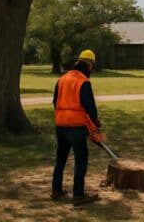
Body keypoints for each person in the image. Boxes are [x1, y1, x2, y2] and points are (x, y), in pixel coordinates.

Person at [51, 49, 102, 206]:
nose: (92, 69)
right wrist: (96, 125)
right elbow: (90, 107)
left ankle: (56, 190)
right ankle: (78, 195)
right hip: (77, 127)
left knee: (61, 158)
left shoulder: (62, 79)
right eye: (92, 66)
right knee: (81, 159)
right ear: (88, 64)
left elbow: (55, 101)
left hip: (60, 125)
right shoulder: (83, 82)